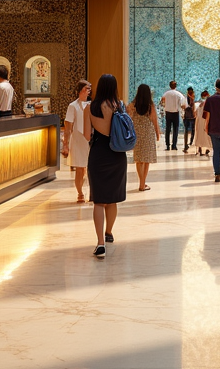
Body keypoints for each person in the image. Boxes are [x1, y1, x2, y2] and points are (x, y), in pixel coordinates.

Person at [83, 74, 127, 258]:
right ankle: (109, 232)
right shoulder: (120, 105)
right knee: (112, 198)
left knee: (99, 200)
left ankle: (100, 243)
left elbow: (86, 135)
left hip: (98, 153)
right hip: (117, 153)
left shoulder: (90, 107)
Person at [62, 80, 92, 203]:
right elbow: (68, 126)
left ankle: (91, 192)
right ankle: (80, 193)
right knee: (80, 168)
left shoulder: (92, 105)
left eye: (90, 88)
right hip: (78, 140)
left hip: (89, 140)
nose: (89, 90)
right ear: (80, 90)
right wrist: (65, 144)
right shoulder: (73, 106)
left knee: (89, 168)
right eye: (86, 88)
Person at [129, 83, 160, 192]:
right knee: (146, 160)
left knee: (139, 160)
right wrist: (157, 133)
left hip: (137, 133)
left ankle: (141, 183)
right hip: (148, 133)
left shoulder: (133, 104)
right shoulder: (150, 105)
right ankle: (143, 184)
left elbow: (128, 117)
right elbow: (154, 120)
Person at [160, 80, 185, 150]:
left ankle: (167, 145)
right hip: (175, 112)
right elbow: (182, 103)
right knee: (175, 129)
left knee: (168, 129)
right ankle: (174, 145)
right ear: (175, 86)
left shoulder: (166, 93)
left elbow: (162, 100)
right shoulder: (179, 94)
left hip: (168, 112)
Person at [193, 90, 212, 156]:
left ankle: (199, 149)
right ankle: (208, 148)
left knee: (199, 135)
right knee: (207, 136)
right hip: (206, 120)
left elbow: (195, 113)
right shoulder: (209, 103)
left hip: (199, 121)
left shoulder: (198, 104)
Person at [182, 86, 196, 152]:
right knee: (192, 130)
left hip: (188, 116)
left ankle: (188, 144)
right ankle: (189, 143)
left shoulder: (187, 98)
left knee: (188, 131)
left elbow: (183, 106)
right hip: (191, 116)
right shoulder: (189, 98)